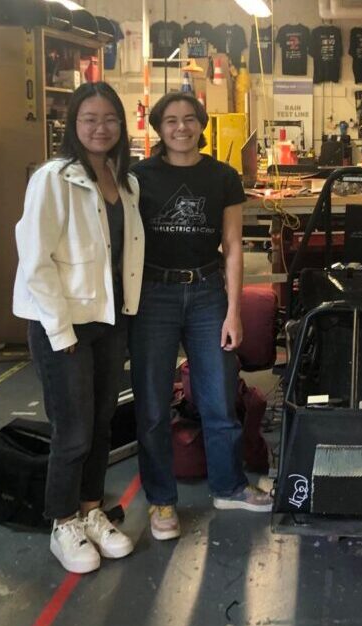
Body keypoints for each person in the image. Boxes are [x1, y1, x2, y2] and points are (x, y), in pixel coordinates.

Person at [13, 82, 145, 573]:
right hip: (63, 323)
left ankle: (91, 511)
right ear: (73, 124)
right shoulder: (53, 178)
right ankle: (62, 521)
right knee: (72, 431)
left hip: (108, 322)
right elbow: (35, 260)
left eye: (109, 118)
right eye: (88, 118)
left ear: (121, 125)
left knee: (101, 423)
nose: (99, 127)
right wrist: (59, 330)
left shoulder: (125, 181)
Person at [130, 93, 272, 542]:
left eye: (190, 119)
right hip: (154, 293)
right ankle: (161, 501)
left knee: (218, 398)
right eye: (171, 120)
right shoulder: (138, 177)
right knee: (152, 406)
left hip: (208, 292)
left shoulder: (222, 177)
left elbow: (232, 246)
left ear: (202, 125)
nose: (181, 127)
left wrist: (234, 310)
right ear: (158, 127)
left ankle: (228, 486)